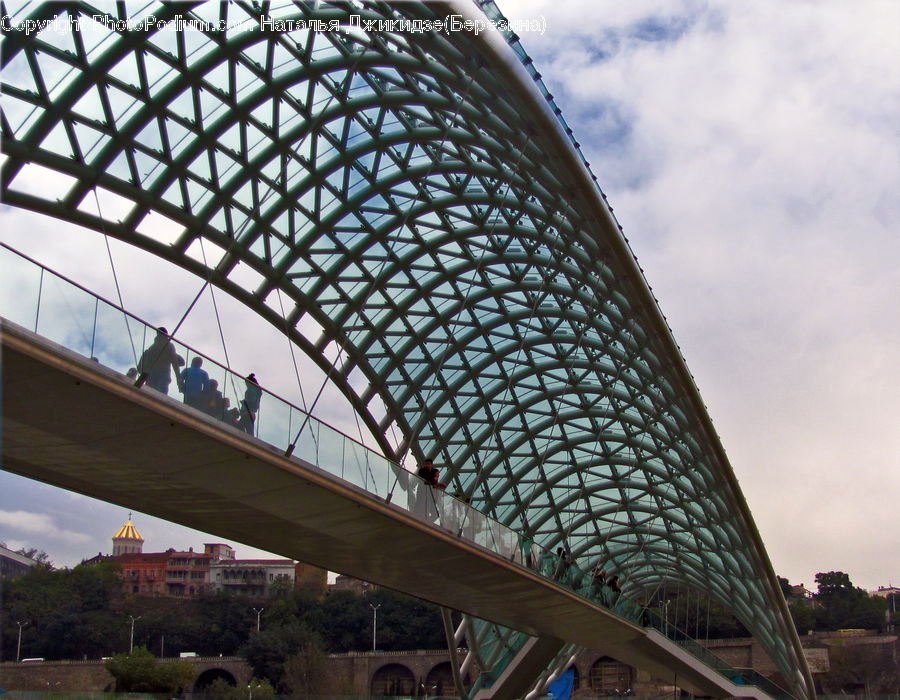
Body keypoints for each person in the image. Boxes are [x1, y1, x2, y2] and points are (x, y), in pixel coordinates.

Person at [137, 327, 181, 394]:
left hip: (150, 376)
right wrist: (178, 377)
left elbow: (142, 366)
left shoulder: (152, 348)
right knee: (161, 396)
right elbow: (175, 362)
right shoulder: (169, 345)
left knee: (149, 394)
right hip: (162, 374)